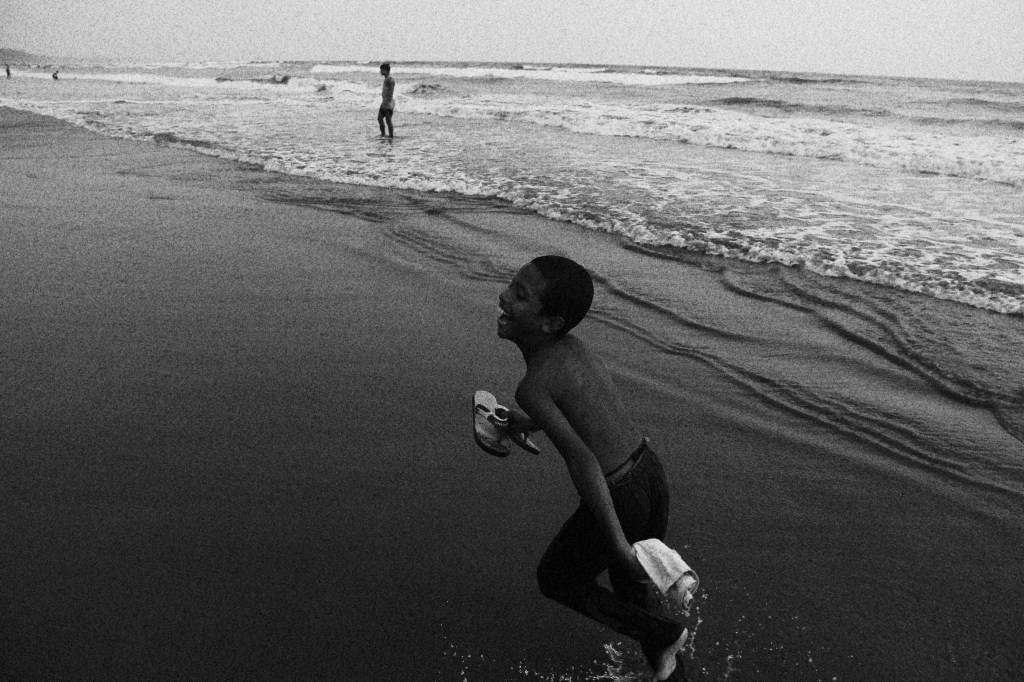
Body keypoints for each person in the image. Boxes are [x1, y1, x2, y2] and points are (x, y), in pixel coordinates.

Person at [495, 255, 689, 681]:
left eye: (520, 296)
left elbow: (582, 459)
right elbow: (585, 407)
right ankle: (670, 661)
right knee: (632, 599)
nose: (504, 298)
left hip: (618, 493)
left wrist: (617, 544)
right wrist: (530, 422)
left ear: (550, 323)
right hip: (649, 473)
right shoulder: (573, 349)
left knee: (557, 578)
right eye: (511, 286)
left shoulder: (532, 385)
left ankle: (665, 635)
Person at [377, 62, 395, 138]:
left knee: (388, 120)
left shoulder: (390, 80)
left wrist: (387, 104)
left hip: (388, 104)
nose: (380, 72)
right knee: (379, 118)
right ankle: (383, 134)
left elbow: (390, 93)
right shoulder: (386, 79)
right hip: (384, 102)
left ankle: (391, 136)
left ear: (386, 70)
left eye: (381, 70)